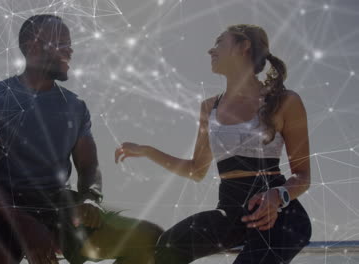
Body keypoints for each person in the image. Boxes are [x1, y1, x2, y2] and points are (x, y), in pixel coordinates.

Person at [0, 14, 162, 264]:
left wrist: (91, 197)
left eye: (70, 43)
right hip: (2, 210)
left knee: (148, 238)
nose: (70, 50)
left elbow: (89, 166)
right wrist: (25, 225)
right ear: (33, 46)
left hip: (60, 208)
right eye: (62, 43)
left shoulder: (75, 106)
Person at [115, 24, 312, 264]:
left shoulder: (285, 101)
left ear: (244, 46)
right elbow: (196, 170)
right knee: (169, 245)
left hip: (281, 215)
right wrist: (147, 151)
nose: (210, 50)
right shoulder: (209, 108)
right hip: (230, 212)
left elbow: (302, 176)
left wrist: (277, 196)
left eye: (219, 42)